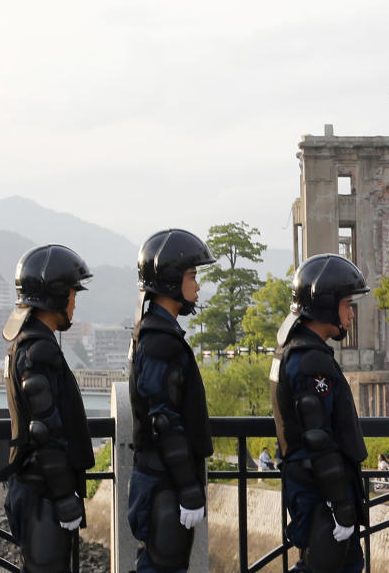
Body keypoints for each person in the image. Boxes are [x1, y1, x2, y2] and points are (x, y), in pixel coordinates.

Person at [270, 253, 369, 573]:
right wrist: (340, 504)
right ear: (325, 305)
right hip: (321, 492)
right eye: (346, 304)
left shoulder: (297, 350)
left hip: (313, 487)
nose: (350, 314)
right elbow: (318, 437)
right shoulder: (310, 359)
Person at [0, 245, 95, 571]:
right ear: (54, 294)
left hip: (36, 490)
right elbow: (45, 431)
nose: (74, 301)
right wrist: (65, 495)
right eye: (71, 292)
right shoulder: (38, 350)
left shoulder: (27, 343)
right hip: (43, 493)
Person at [127, 229, 216, 572]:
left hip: (164, 477)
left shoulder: (158, 333)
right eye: (192, 276)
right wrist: (187, 486)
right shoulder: (159, 340)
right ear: (169, 281)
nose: (196, 285)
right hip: (163, 480)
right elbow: (162, 418)